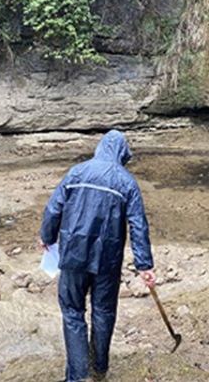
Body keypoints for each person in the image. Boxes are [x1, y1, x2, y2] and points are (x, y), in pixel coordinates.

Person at [39, 129, 156, 382]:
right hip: (108, 260)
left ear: (100, 147)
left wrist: (47, 237)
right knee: (103, 312)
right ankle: (99, 370)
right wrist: (144, 264)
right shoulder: (127, 182)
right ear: (122, 154)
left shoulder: (77, 172)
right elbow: (138, 225)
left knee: (72, 311)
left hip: (73, 254)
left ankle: (78, 376)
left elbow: (53, 208)